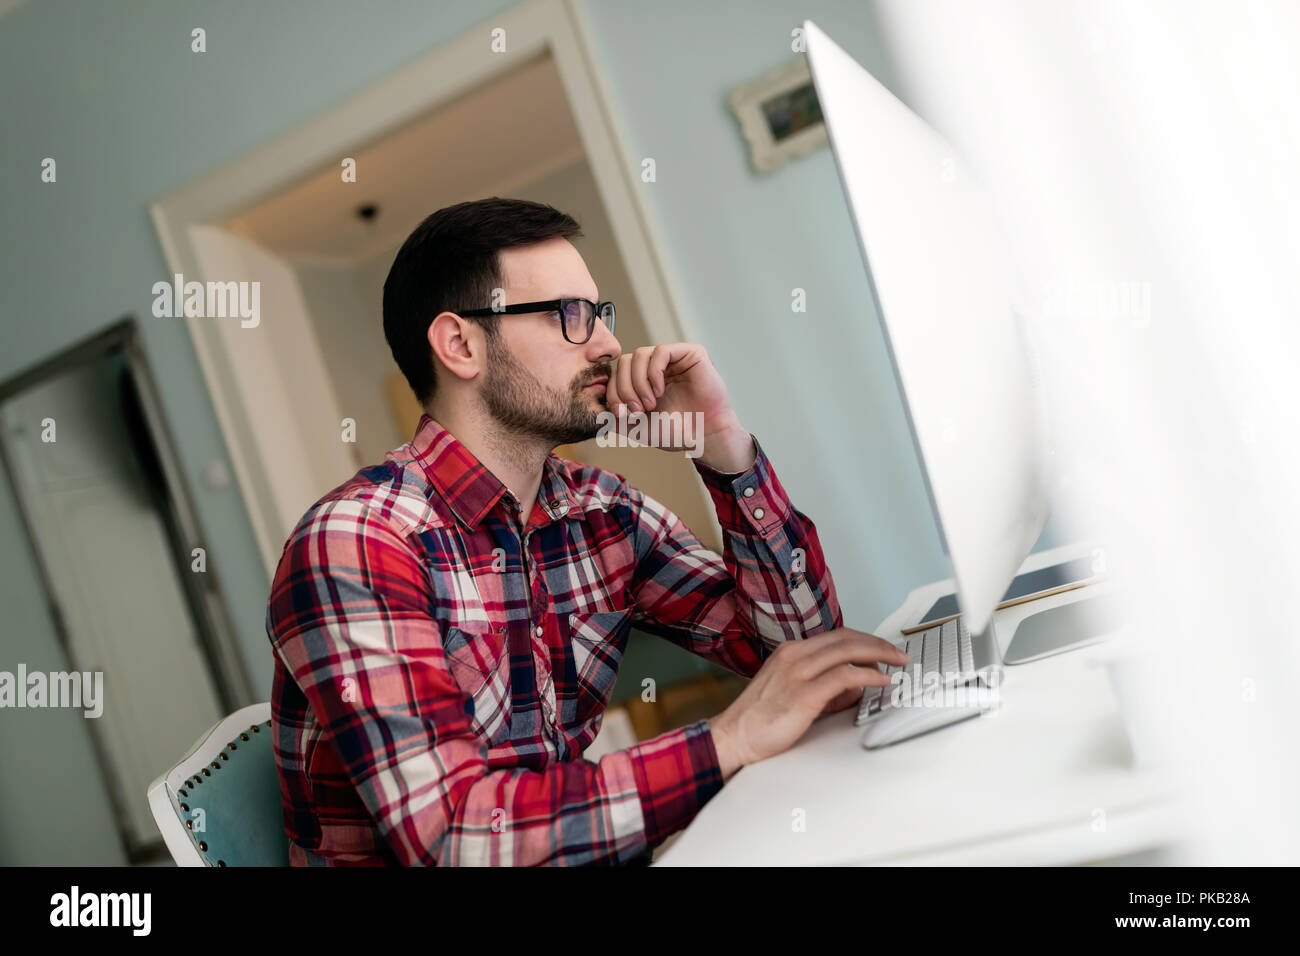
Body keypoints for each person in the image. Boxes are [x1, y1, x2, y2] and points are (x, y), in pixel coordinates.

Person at [265, 197, 908, 866]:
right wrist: (728, 739)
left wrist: (720, 442)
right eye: (570, 316)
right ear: (460, 345)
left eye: (600, 315)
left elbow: (807, 654)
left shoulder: (598, 511)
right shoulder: (358, 543)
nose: (606, 345)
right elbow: (453, 840)